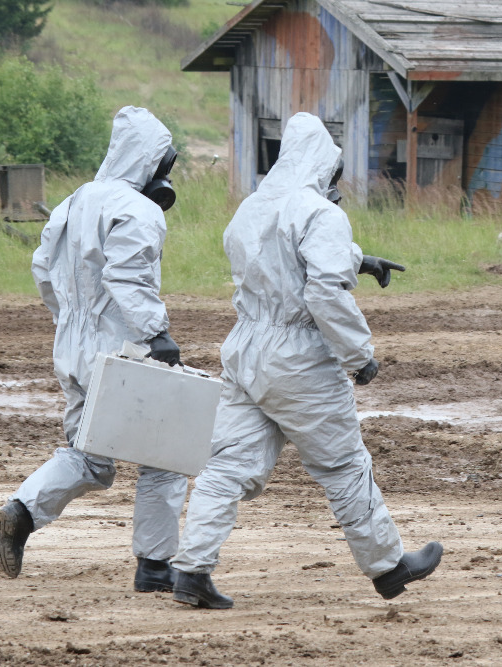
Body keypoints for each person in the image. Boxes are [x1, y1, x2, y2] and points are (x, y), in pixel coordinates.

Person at [169, 112, 442, 609]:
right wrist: (359, 355)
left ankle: (191, 571)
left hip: (246, 349)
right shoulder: (321, 214)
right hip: (299, 359)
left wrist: (359, 258)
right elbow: (323, 292)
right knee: (343, 463)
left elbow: (280, 258)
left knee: (226, 465)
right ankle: (388, 567)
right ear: (325, 165)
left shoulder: (250, 207)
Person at [0, 106, 188, 594]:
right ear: (150, 161)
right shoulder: (139, 210)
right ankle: (155, 567)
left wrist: (68, 322)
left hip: (72, 346)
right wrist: (156, 333)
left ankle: (21, 510)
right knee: (164, 457)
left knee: (90, 455)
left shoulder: (72, 201)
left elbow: (42, 269)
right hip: (122, 349)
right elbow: (127, 276)